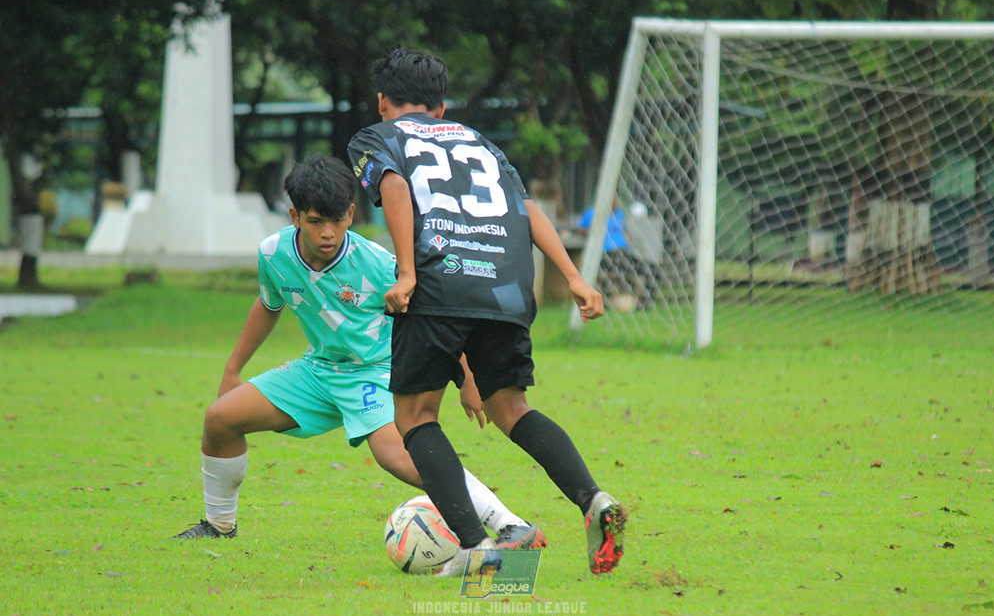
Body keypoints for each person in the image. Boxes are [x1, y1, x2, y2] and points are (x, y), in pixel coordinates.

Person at [174, 153, 546, 552]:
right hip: (317, 371)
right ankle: (219, 525)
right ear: (294, 216)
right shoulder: (273, 254)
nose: (328, 233)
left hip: (377, 371)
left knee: (396, 456)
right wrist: (234, 370)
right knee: (220, 419)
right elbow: (268, 305)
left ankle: (509, 524)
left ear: (352, 214)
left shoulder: (377, 265)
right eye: (316, 221)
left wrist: (468, 380)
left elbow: (435, 317)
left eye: (337, 220)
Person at [347, 47, 626, 576]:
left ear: (382, 100)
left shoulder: (376, 137)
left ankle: (477, 546)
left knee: (415, 416)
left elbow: (395, 187)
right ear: (443, 107)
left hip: (439, 283)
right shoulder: (480, 142)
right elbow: (525, 209)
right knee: (511, 409)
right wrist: (573, 277)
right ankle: (593, 501)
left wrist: (406, 272)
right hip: (506, 289)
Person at [577, 199, 658, 310]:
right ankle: (606, 302)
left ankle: (645, 304)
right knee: (613, 273)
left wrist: (628, 237)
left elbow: (625, 230)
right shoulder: (592, 213)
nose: (615, 202)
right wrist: (594, 233)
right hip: (605, 254)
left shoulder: (619, 214)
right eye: (612, 199)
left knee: (651, 268)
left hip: (624, 253)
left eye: (616, 200)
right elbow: (580, 230)